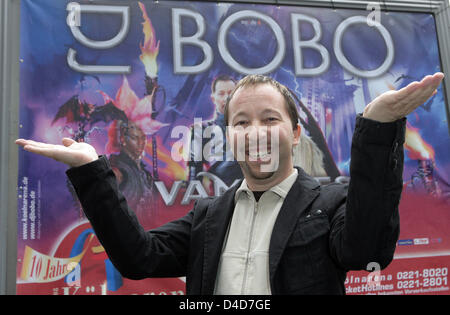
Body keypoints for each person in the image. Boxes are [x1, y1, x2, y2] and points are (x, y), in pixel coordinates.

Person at [16, 72, 444, 294]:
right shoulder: (209, 215)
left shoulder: (329, 202)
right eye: (242, 123)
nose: (255, 132)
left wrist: (377, 128)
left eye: (269, 120)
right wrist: (92, 170)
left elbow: (367, 251)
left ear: (295, 134)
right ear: (230, 137)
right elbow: (139, 258)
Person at [188, 75, 243, 186]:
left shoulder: (252, 129)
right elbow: (193, 178)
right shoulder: (202, 130)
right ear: (213, 98)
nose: (227, 98)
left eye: (230, 93)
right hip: (218, 194)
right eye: (221, 93)